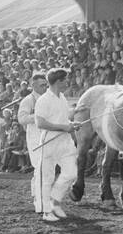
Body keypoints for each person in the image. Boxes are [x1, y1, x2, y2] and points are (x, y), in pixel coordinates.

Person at [33, 68, 79, 223]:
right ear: (58, 81)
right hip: (49, 141)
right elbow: (40, 123)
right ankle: (46, 211)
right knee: (47, 177)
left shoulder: (62, 98)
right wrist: (64, 127)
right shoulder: (43, 100)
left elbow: (63, 120)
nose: (67, 82)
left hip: (65, 141)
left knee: (71, 173)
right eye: (65, 80)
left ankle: (55, 200)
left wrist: (71, 124)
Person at [17, 72, 48, 214]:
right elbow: (22, 118)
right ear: (33, 85)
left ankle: (41, 196)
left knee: (47, 168)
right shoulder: (28, 100)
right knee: (39, 167)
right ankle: (38, 199)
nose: (44, 87)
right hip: (35, 136)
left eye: (45, 85)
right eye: (41, 85)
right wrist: (38, 116)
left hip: (48, 135)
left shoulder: (49, 99)